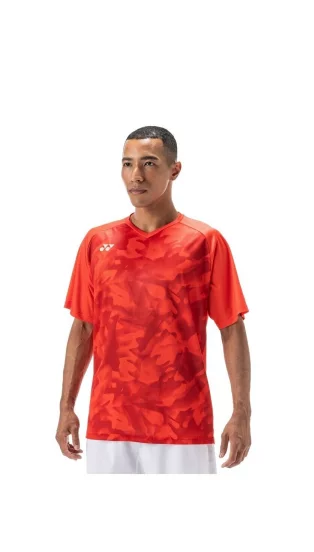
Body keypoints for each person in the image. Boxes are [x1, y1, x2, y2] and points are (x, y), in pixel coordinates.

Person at [56, 125, 252, 474]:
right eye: (127, 164)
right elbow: (83, 327)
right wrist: (66, 407)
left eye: (149, 163)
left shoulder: (204, 242)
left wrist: (241, 413)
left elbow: (231, 329)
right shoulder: (97, 242)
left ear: (174, 170)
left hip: (183, 426)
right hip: (109, 426)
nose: (136, 175)